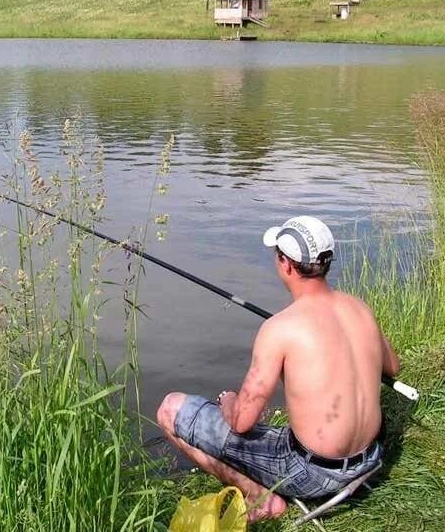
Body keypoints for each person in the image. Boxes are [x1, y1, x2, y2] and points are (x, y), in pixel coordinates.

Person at [156, 216, 400, 521]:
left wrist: (228, 399)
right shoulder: (361, 308)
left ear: (286, 264)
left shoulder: (279, 329)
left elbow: (242, 422)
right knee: (277, 431)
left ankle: (259, 497)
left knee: (170, 409)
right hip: (369, 459)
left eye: (277, 255)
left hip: (312, 474)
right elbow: (393, 367)